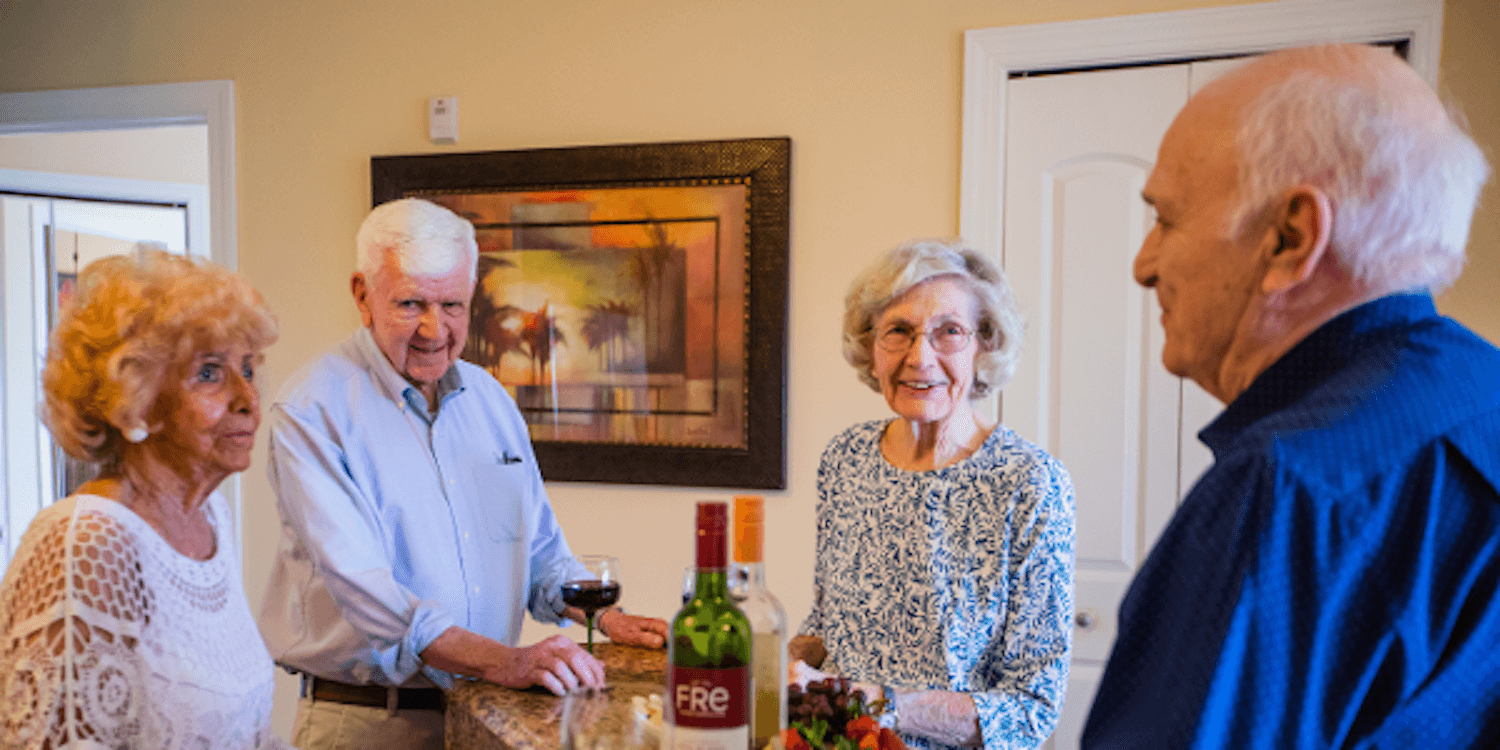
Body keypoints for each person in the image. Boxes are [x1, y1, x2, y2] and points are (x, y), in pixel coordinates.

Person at [1081, 44, 1499, 749]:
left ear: (1289, 237)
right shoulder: (1482, 392)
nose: (1143, 264)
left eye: (1167, 219)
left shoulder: (1289, 491)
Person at [257, 198, 669, 749]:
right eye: (411, 304)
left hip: (489, 715)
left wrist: (607, 617)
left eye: (452, 305)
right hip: (371, 724)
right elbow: (367, 593)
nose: (435, 329)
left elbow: (540, 552)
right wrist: (506, 661)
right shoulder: (312, 411)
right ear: (362, 295)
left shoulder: (490, 400)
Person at [790, 239, 1076, 750]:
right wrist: (772, 662)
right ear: (871, 347)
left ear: (984, 344)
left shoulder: (1029, 483)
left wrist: (878, 703)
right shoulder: (846, 457)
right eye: (898, 331)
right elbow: (827, 624)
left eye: (949, 332)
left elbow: (1031, 710)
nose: (920, 357)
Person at [0, 248, 285, 748]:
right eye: (210, 373)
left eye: (247, 368)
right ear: (138, 397)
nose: (248, 398)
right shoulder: (86, 541)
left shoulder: (210, 521)